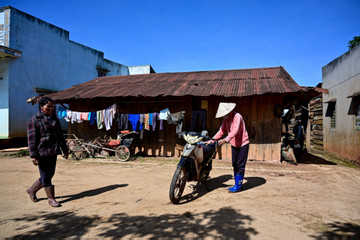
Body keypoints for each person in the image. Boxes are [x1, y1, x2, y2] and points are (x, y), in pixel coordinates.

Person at [26, 97, 69, 207]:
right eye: (48, 106)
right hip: (41, 152)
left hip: (53, 151)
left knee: (50, 174)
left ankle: (32, 189)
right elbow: (31, 140)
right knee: (45, 175)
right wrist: (33, 155)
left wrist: (65, 149)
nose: (51, 109)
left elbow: (60, 136)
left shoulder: (54, 119)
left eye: (52, 107)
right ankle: (51, 199)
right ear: (41, 106)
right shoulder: (34, 120)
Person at [204, 102, 250, 193]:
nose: (223, 116)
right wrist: (212, 140)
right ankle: (236, 184)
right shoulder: (226, 120)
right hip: (234, 144)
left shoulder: (238, 117)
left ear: (229, 112)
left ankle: (238, 186)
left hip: (243, 143)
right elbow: (221, 131)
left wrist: (226, 140)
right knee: (234, 164)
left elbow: (235, 131)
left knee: (240, 165)